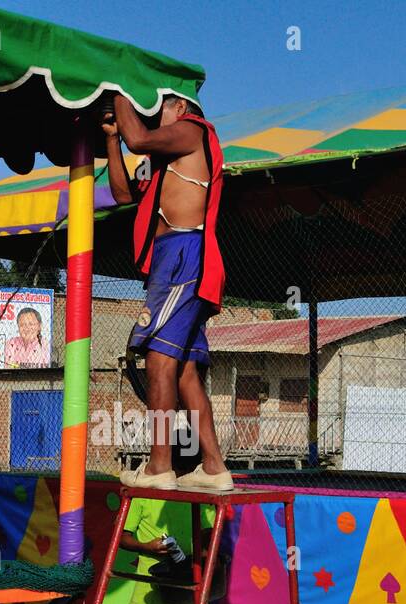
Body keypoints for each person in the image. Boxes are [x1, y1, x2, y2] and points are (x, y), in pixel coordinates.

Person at [104, 92, 232, 492]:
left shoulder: (192, 131)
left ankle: (160, 465)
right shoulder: (165, 160)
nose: (148, 111)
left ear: (180, 107)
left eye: (157, 104)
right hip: (171, 260)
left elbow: (138, 137)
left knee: (158, 362)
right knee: (185, 371)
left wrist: (116, 91)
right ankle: (213, 467)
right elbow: (124, 194)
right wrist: (112, 137)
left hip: (182, 255)